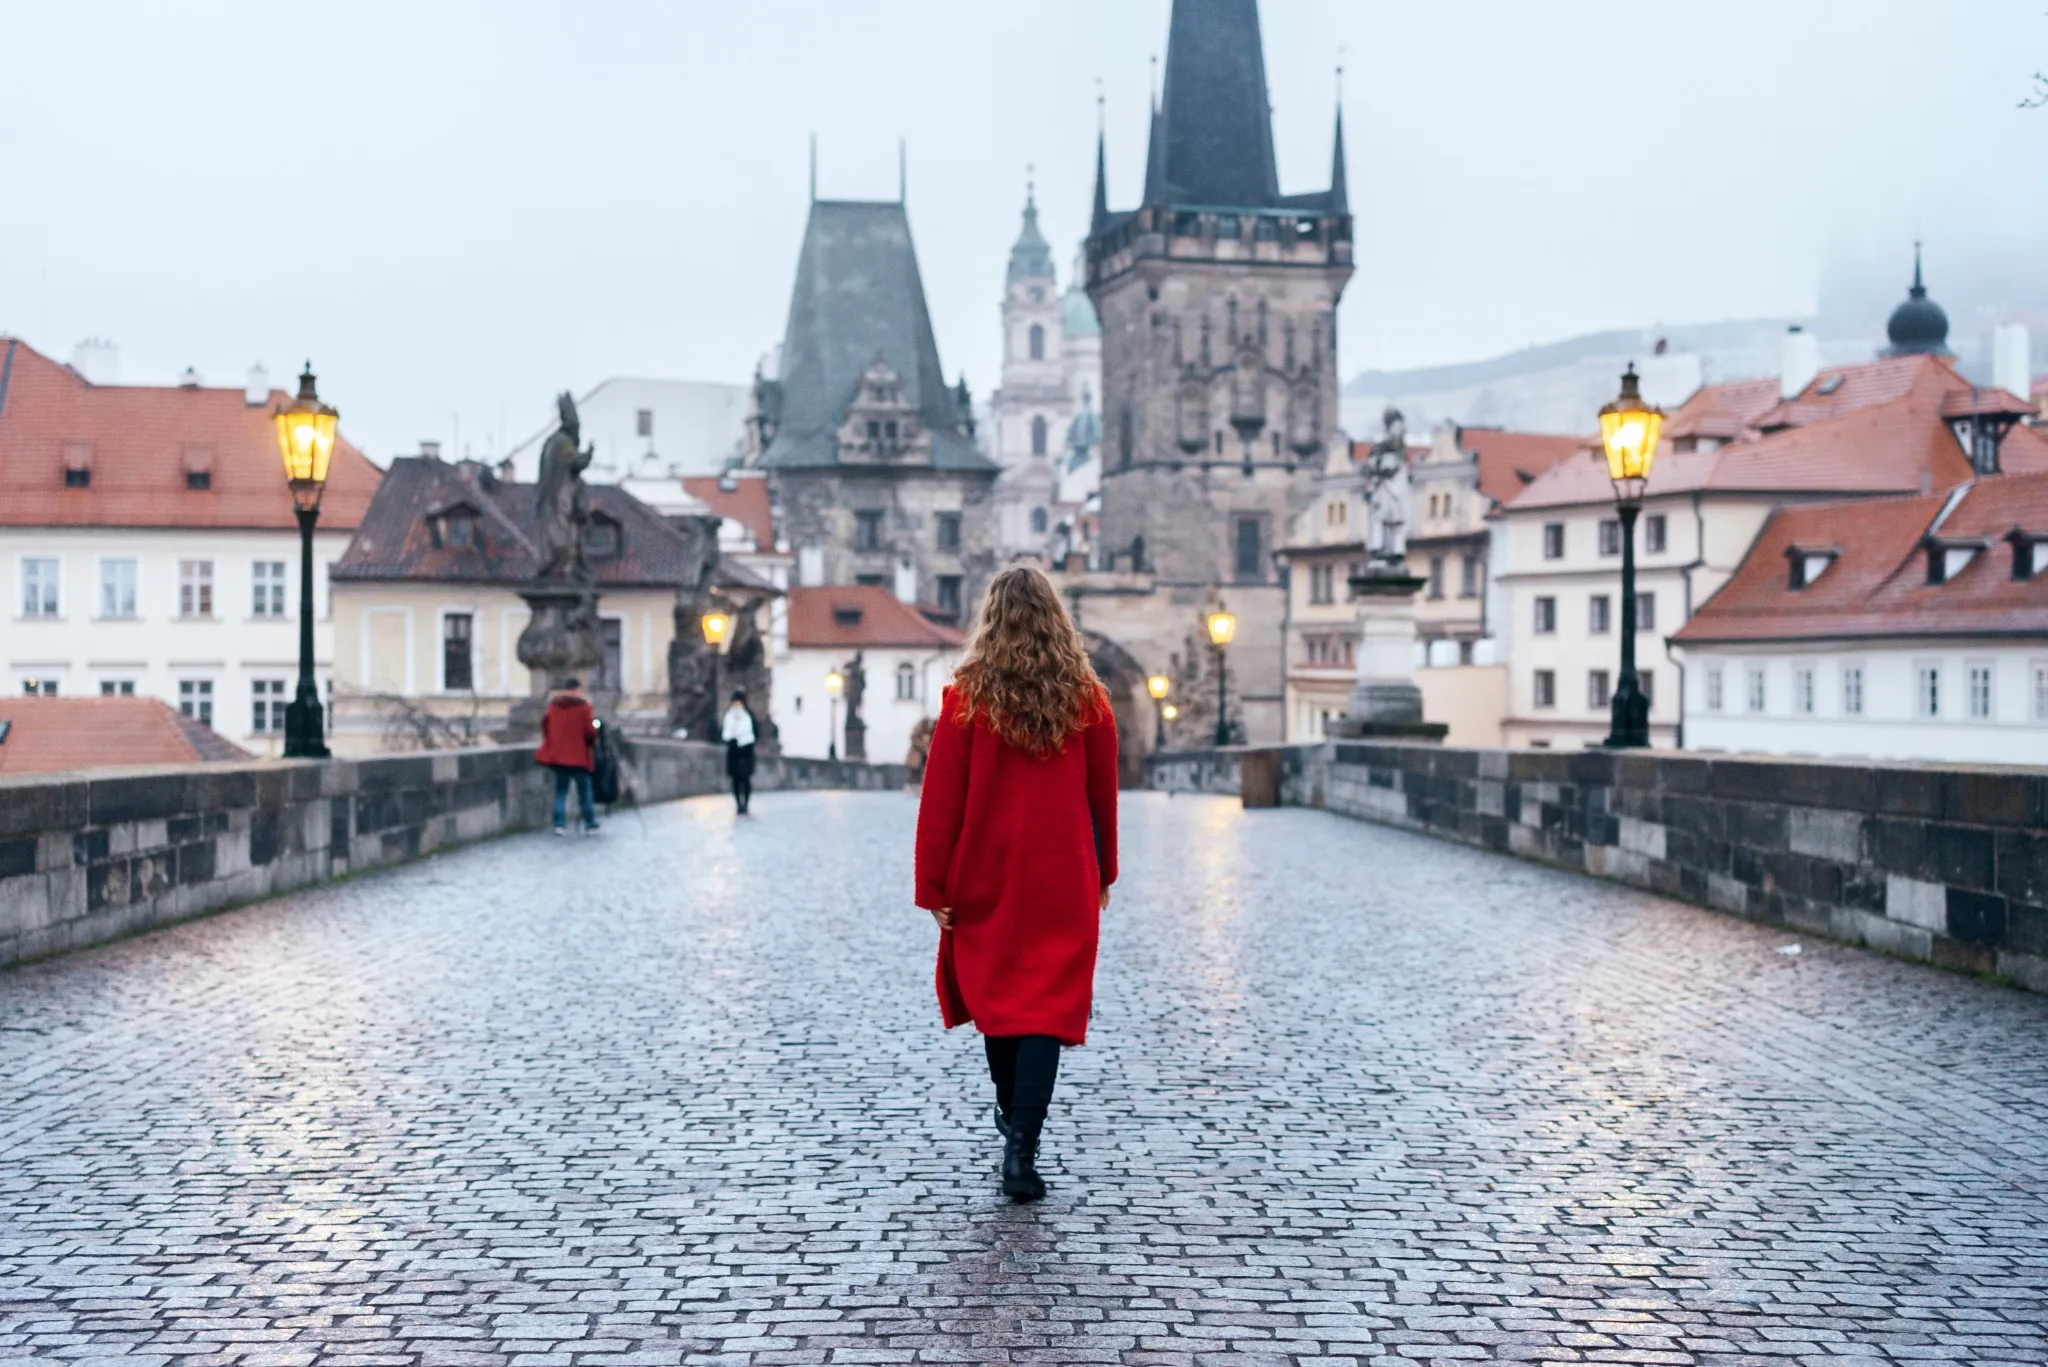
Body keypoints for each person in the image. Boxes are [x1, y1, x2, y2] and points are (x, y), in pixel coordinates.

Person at [913, 564, 1118, 1202]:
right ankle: (1022, 1145)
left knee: (1003, 1005)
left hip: (987, 871)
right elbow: (1101, 797)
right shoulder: (1088, 699)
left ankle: (1011, 1120)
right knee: (1043, 1010)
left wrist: (934, 887)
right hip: (1063, 874)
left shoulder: (964, 700)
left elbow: (939, 802)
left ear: (991, 621)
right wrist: (1104, 870)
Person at [535, 678, 600, 836]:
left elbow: (545, 728)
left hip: (559, 756)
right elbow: (590, 732)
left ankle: (559, 824)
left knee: (561, 790)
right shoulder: (584, 707)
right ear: (578, 689)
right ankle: (590, 824)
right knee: (585, 791)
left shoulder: (553, 707)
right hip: (579, 757)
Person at [720, 688, 757, 814]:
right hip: (734, 753)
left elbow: (755, 734)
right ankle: (738, 803)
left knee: (745, 779)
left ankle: (745, 803)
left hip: (746, 752)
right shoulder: (728, 716)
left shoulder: (748, 716)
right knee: (736, 780)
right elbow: (724, 734)